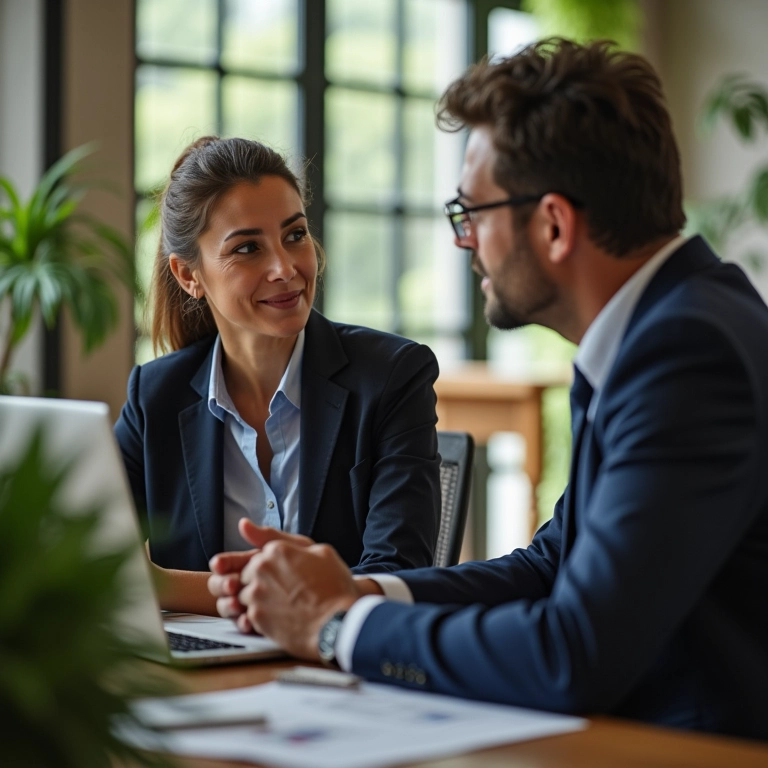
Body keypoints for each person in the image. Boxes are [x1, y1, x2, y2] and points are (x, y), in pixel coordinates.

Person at [207, 39, 768, 741]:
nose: (462, 241)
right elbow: (550, 564)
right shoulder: (665, 325)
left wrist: (337, 626)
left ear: (555, 224)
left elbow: (573, 655)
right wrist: (361, 591)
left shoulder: (687, 353)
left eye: (471, 212)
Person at [114, 136, 441, 616]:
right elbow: (89, 560)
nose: (285, 268)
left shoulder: (393, 376)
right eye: (247, 248)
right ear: (189, 275)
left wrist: (165, 586)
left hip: (339, 670)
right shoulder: (154, 396)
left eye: (295, 235)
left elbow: (395, 574)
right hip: (201, 673)